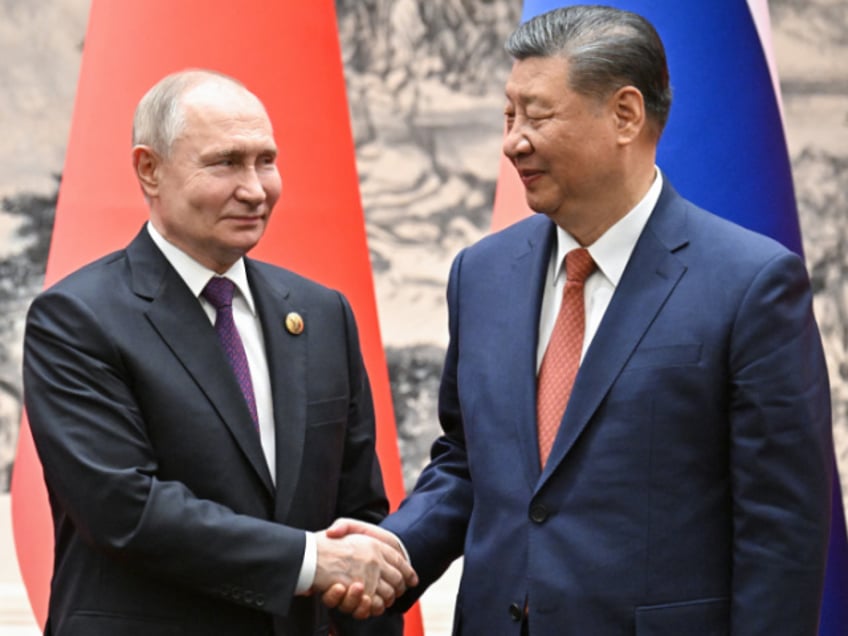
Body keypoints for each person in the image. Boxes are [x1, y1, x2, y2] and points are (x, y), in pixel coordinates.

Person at [325, 5, 834, 634]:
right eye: (508, 115)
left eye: (537, 115)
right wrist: (395, 549)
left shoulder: (750, 285)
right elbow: (467, 460)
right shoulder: (482, 275)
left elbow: (781, 530)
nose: (513, 141)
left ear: (625, 114)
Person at [23, 69, 416, 636]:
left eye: (266, 161)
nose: (255, 189)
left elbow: (358, 512)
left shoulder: (323, 312)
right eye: (226, 162)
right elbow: (125, 509)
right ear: (149, 169)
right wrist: (310, 561)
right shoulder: (78, 318)